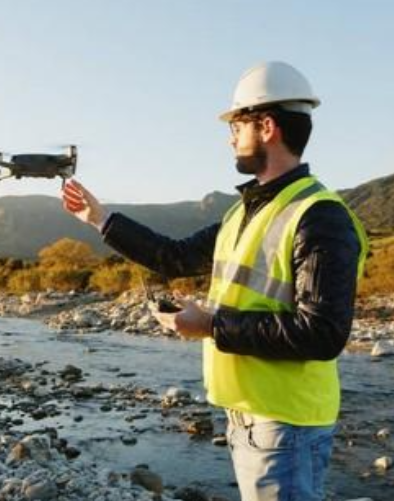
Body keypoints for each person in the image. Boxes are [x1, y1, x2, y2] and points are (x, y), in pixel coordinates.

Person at [61, 61, 368, 501]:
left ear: (266, 127)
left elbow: (323, 333)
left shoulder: (320, 216)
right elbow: (173, 256)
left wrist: (210, 325)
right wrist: (99, 217)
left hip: (287, 424)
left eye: (236, 126)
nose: (230, 138)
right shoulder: (242, 212)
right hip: (249, 418)